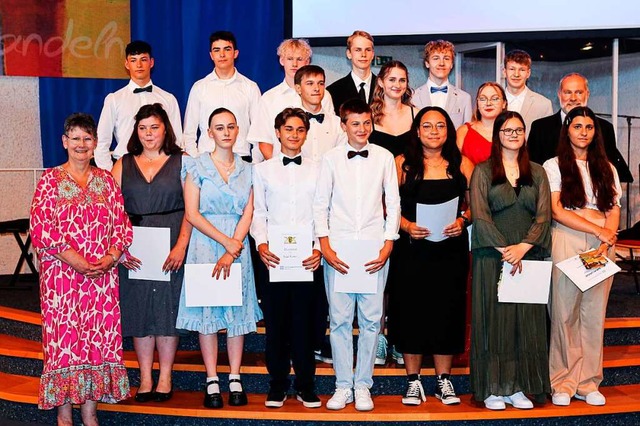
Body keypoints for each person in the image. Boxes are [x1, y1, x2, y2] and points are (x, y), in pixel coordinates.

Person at [30, 113, 132, 425]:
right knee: (66, 346)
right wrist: (77, 261)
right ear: (64, 142)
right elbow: (41, 228)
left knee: (97, 346)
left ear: (95, 144)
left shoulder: (106, 182)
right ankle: (64, 417)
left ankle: (90, 415)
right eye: (75, 138)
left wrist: (112, 255)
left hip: (101, 281)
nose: (81, 144)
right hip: (62, 279)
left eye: (87, 139)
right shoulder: (49, 181)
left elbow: (123, 225)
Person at [313, 99, 401, 412]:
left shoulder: (385, 157)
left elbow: (393, 202)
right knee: (337, 320)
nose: (361, 129)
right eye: (355, 123)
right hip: (338, 250)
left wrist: (388, 244)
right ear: (343, 124)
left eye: (366, 123)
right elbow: (320, 204)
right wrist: (324, 246)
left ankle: (363, 384)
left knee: (371, 321)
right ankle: (342, 385)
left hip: (375, 250)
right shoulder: (331, 158)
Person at [176, 108, 262, 409]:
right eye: (219, 127)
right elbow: (192, 213)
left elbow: (249, 211)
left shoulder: (249, 168)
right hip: (205, 244)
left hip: (237, 246)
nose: (225, 132)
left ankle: (235, 377)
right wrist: (226, 243)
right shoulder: (195, 166)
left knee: (236, 313)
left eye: (230, 126)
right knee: (208, 314)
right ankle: (212, 378)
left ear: (238, 130)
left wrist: (233, 246)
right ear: (209, 133)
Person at [389, 106, 474, 406]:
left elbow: (473, 205)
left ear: (448, 130)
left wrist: (463, 221)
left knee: (447, 311)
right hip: (411, 250)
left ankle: (444, 380)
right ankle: (413, 381)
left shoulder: (463, 164)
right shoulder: (402, 164)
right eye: (427, 126)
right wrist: (407, 226)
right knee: (411, 311)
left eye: (440, 125)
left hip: (450, 251)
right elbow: (386, 207)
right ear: (417, 131)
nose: (434, 131)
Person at [469, 110, 552, 410]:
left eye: (519, 130)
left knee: (525, 322)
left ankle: (517, 386)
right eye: (507, 130)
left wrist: (525, 247)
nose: (514, 134)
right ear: (498, 135)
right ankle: (494, 387)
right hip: (493, 257)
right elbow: (480, 215)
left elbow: (544, 216)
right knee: (495, 322)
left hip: (529, 257)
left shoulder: (538, 172)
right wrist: (507, 250)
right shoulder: (482, 170)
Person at [111, 103, 192, 403]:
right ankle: (145, 377)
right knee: (140, 310)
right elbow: (112, 210)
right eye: (142, 128)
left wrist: (182, 244)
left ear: (165, 129)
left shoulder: (182, 161)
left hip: (172, 244)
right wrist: (119, 246)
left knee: (167, 310)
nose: (148, 134)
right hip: (134, 246)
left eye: (154, 127)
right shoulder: (123, 163)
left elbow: (192, 208)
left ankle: (166, 376)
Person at [544, 106, 621, 407]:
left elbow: (613, 207)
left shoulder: (607, 167)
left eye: (589, 127)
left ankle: (589, 382)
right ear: (568, 130)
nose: (584, 132)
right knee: (564, 314)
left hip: (602, 243)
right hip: (567, 236)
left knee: (593, 314)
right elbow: (557, 210)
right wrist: (597, 230)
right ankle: (562, 381)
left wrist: (607, 235)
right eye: (578, 126)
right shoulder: (554, 165)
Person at [251, 108, 323, 409]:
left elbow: (323, 210)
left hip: (307, 258)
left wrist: (319, 247)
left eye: (300, 129)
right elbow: (259, 212)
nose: (294, 134)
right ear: (278, 132)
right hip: (275, 258)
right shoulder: (263, 169)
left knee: (306, 323)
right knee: (277, 323)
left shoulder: (319, 168)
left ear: (306, 134)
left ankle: (306, 385)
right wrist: (262, 245)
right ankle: (277, 385)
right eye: (288, 129)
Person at [96, 40, 187, 170]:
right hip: (126, 166)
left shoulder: (168, 99)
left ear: (151, 62)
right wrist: (111, 175)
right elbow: (101, 142)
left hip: (163, 167)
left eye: (143, 59)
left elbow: (177, 139)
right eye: (133, 60)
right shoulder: (114, 99)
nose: (139, 65)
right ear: (127, 64)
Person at [528, 73, 632, 182]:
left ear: (587, 94)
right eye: (568, 92)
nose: (573, 98)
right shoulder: (540, 128)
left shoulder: (605, 128)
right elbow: (533, 171)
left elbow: (608, 171)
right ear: (559, 94)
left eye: (579, 92)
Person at [247, 38, 333, 161]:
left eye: (299, 59)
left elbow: (331, 133)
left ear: (307, 62)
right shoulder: (269, 98)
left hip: (317, 170)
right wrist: (279, 169)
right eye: (290, 59)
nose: (294, 64)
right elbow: (263, 141)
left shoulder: (323, 95)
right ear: (282, 61)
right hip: (280, 170)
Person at [183, 31, 261, 161]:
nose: (222, 54)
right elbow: (189, 132)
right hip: (206, 159)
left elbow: (259, 130)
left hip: (241, 158)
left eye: (227, 49)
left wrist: (255, 163)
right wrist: (196, 161)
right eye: (217, 50)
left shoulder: (250, 88)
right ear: (211, 55)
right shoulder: (199, 87)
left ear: (235, 53)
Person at [413, 40, 473, 129]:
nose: (441, 63)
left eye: (446, 58)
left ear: (452, 64)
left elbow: (467, 133)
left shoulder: (464, 98)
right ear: (427, 63)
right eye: (436, 58)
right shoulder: (413, 97)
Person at [294, 65, 346, 162]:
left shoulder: (337, 124)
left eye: (320, 83)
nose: (317, 88)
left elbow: (342, 160)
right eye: (310, 83)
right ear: (298, 88)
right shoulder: (289, 125)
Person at [369, 60, 415, 158]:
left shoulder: (416, 114)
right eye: (392, 80)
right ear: (381, 82)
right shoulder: (368, 116)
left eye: (402, 80)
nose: (397, 85)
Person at [503, 49, 553, 136]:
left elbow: (547, 139)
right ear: (504, 72)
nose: (516, 74)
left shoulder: (543, 104)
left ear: (528, 73)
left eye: (522, 70)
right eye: (512, 69)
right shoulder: (494, 102)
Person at [326, 30, 376, 116]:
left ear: (372, 54)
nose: (363, 54)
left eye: (368, 50)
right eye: (358, 50)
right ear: (349, 53)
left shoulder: (385, 87)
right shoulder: (334, 91)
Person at [457, 82, 508, 165]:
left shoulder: (513, 131)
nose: (488, 103)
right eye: (483, 99)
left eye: (494, 99)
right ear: (477, 103)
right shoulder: (463, 131)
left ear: (504, 103)